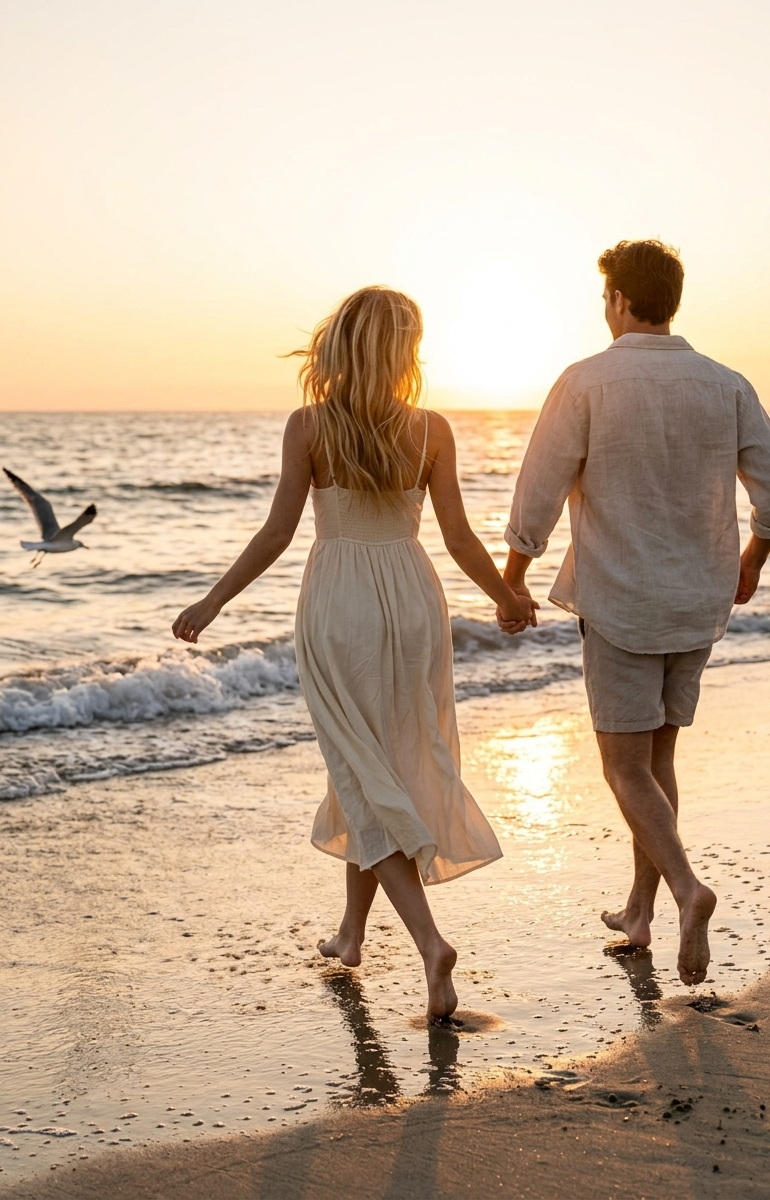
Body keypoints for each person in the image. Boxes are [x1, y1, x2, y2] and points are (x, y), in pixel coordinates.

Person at [172, 286, 535, 1022]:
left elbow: (278, 533)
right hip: (412, 600)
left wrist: (213, 601)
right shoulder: (431, 429)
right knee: (375, 769)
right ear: (406, 349)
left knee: (362, 771)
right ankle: (350, 935)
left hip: (339, 603)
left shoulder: (309, 426)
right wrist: (504, 595)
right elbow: (460, 538)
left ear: (340, 342)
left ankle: (430, 944)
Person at [499, 240, 770, 985]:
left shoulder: (586, 381)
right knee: (658, 761)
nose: (605, 310)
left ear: (622, 301)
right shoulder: (725, 384)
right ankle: (641, 908)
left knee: (624, 767)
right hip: (697, 601)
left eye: (606, 298)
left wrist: (514, 575)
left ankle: (688, 889)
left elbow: (539, 488)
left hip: (622, 601)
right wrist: (750, 563)